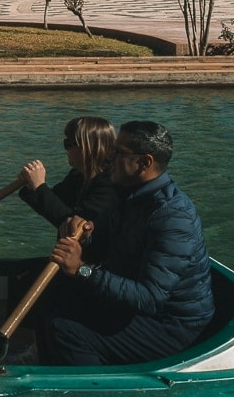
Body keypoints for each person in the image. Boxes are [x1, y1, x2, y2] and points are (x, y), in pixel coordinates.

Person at [44, 121, 214, 366]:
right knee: (52, 292)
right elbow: (116, 246)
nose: (108, 158)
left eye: (117, 153)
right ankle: (46, 361)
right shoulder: (125, 193)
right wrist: (88, 234)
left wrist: (82, 269)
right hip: (138, 304)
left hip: (172, 324)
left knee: (65, 330)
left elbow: (150, 299)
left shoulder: (173, 218)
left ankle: (94, 387)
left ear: (144, 163)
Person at [18, 116, 118, 248]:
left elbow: (72, 225)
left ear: (88, 148)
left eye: (69, 144)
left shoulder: (111, 183)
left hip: (88, 262)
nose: (66, 149)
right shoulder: (78, 176)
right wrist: (31, 186)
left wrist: (39, 186)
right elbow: (53, 204)